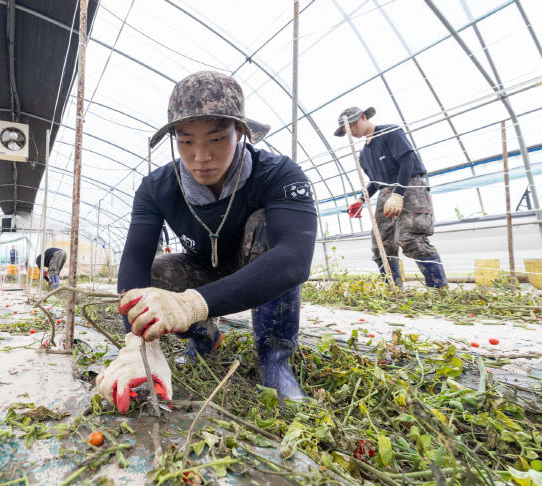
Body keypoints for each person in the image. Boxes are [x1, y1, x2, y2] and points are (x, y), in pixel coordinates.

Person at [96, 71, 317, 413]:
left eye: (215, 140)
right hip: (202, 268)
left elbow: (295, 258)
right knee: (152, 277)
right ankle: (203, 340)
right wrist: (138, 345)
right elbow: (134, 264)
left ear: (239, 132)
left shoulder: (278, 174)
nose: (201, 157)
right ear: (173, 139)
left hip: (258, 266)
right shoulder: (157, 187)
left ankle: (274, 357)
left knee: (269, 230)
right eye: (186, 141)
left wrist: (188, 305)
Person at [334, 106, 447, 288]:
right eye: (347, 131)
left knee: (411, 238)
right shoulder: (364, 154)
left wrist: (399, 194)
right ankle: (393, 291)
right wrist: (360, 200)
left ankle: (439, 290)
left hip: (410, 187)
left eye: (352, 126)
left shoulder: (389, 132)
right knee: (382, 244)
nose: (351, 132)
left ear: (363, 117)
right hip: (385, 193)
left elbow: (407, 161)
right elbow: (374, 181)